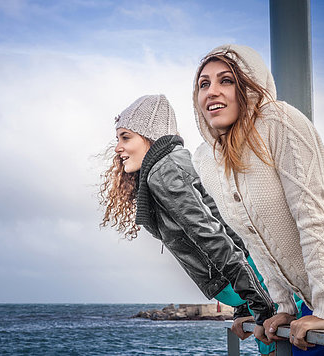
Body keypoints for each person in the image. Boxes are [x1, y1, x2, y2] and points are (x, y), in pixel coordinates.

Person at [191, 44, 324, 354]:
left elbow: (313, 218)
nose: (212, 91)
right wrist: (283, 306)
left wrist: (323, 309)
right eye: (204, 84)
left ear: (249, 86)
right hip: (314, 305)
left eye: (226, 80)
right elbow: (254, 240)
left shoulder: (279, 122)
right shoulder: (206, 161)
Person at [99, 94, 276, 355]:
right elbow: (221, 223)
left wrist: (259, 303)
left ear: (150, 136)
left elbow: (210, 235)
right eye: (118, 139)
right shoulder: (168, 165)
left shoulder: (164, 171)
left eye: (126, 137)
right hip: (253, 287)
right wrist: (244, 307)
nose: (118, 147)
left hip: (259, 287)